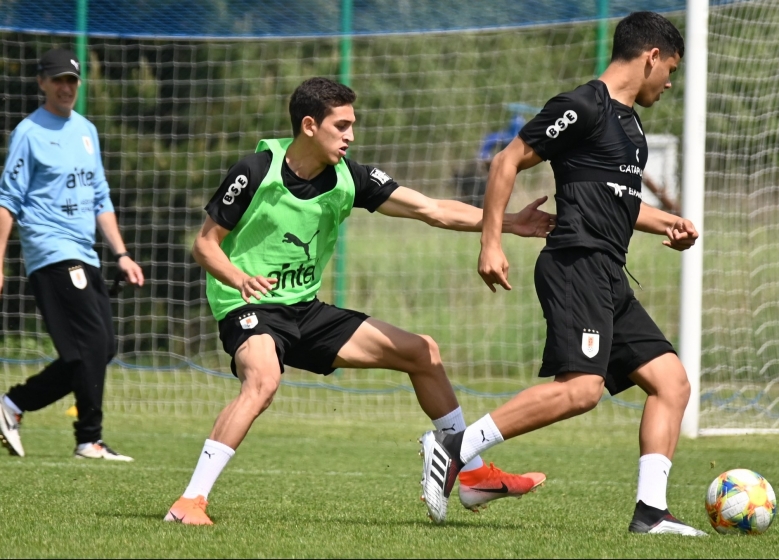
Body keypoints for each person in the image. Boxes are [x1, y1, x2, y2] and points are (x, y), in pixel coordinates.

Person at [164, 77, 555, 525]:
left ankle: (469, 474)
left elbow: (431, 209)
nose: (350, 135)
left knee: (422, 351)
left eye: (353, 125)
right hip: (246, 305)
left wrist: (506, 223)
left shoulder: (349, 176)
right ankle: (190, 502)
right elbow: (205, 245)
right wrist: (239, 278)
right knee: (264, 381)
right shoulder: (255, 171)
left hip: (304, 309)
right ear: (310, 125)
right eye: (342, 125)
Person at [420, 12, 707, 536]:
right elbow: (506, 161)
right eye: (671, 70)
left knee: (671, 383)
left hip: (608, 271)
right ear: (651, 57)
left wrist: (668, 222)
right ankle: (456, 447)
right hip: (575, 263)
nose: (669, 83)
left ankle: (651, 513)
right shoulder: (582, 106)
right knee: (581, 390)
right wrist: (491, 242)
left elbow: (617, 200)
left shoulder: (630, 124)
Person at [0, 48, 144, 461]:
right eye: (58, 79)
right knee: (92, 345)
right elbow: (8, 200)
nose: (66, 87)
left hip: (87, 253)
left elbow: (100, 196)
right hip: (50, 250)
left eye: (72, 80)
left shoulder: (86, 131)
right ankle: (89, 439)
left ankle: (12, 406)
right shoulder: (28, 132)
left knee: (100, 349)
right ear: (42, 82)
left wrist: (122, 254)